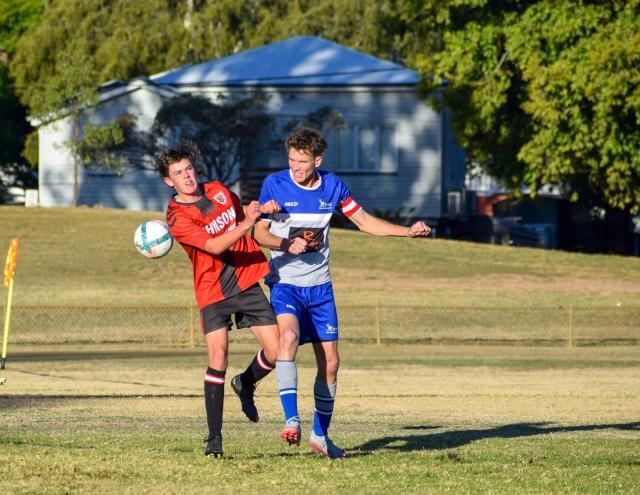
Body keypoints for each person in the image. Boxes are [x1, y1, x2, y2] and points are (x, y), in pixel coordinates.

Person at [254, 127, 431, 458]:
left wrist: (406, 232)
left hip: (320, 289)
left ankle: (320, 436)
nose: (295, 166)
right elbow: (259, 232)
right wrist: (285, 243)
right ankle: (291, 419)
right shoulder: (275, 184)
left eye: (302, 161)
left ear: (317, 160)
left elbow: (363, 221)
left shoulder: (332, 186)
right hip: (286, 284)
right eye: (291, 159)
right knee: (287, 339)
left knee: (331, 363)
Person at [157, 142, 281, 459]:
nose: (186, 176)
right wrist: (247, 222)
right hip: (212, 288)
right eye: (177, 174)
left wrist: (260, 211)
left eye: (188, 168)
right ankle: (214, 439)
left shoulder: (218, 190)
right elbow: (213, 246)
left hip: (245, 277)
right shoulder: (176, 216)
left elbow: (243, 216)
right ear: (168, 181)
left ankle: (245, 383)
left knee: (278, 350)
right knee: (218, 355)